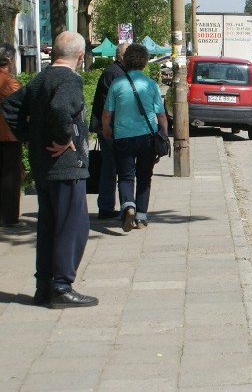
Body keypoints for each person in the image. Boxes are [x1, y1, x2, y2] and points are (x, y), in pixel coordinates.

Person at [1, 31, 98, 308]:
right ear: (80, 56)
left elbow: (11, 106)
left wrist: (30, 137)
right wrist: (63, 138)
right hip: (65, 166)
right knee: (73, 227)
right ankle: (61, 286)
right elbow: (59, 108)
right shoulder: (69, 79)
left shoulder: (41, 78)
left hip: (44, 166)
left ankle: (43, 285)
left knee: (48, 225)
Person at [101, 43, 167, 233]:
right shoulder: (150, 84)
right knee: (144, 177)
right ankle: (141, 217)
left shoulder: (117, 84)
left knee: (125, 176)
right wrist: (163, 134)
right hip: (147, 137)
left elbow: (107, 114)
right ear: (145, 63)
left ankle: (128, 206)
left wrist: (106, 130)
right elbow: (161, 115)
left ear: (126, 61)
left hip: (123, 137)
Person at [89, 42, 128, 220]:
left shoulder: (115, 72)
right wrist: (108, 128)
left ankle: (109, 206)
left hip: (110, 127)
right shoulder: (114, 73)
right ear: (120, 57)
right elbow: (110, 106)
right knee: (111, 167)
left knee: (112, 167)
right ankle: (107, 207)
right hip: (110, 129)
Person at [0, 43, 23, 226]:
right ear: (9, 60)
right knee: (10, 176)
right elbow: (22, 109)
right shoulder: (10, 82)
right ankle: (8, 217)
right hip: (8, 136)